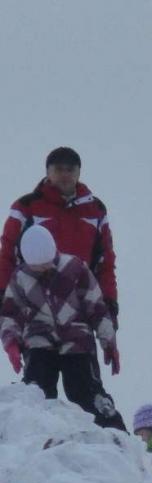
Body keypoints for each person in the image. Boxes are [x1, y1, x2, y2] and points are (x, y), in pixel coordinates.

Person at [0, 145, 125, 429]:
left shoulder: (94, 209)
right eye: (58, 169)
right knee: (38, 390)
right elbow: (7, 253)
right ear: (48, 172)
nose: (65, 175)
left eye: (71, 169)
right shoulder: (27, 207)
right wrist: (6, 312)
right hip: (37, 314)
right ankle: (38, 441)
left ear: (79, 172)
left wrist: (109, 309)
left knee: (84, 388)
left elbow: (105, 260)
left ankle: (113, 440)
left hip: (77, 312)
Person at [0, 226, 122, 428]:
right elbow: (11, 314)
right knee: (37, 390)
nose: (43, 269)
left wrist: (108, 342)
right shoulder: (21, 278)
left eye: (47, 264)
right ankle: (39, 433)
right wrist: (11, 342)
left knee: (82, 390)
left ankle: (112, 431)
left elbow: (96, 307)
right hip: (39, 339)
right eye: (37, 267)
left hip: (76, 339)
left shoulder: (75, 268)